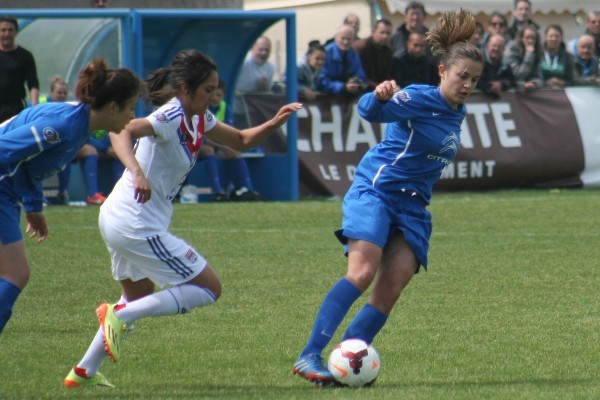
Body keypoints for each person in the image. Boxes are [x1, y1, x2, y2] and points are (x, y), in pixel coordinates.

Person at [64, 49, 301, 388]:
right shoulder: (171, 115)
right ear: (185, 89)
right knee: (208, 288)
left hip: (121, 218)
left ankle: (83, 370)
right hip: (135, 221)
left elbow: (243, 140)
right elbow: (121, 130)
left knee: (139, 293)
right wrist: (136, 172)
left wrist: (275, 122)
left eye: (216, 89)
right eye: (208, 90)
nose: (213, 96)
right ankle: (118, 316)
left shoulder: (201, 119)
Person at [291, 9, 483, 385]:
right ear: (442, 71)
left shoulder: (457, 112)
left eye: (474, 80)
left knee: (391, 287)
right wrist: (378, 96)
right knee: (361, 273)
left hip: (413, 207)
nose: (467, 85)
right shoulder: (418, 97)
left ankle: (349, 358)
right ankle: (308, 354)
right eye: (462, 76)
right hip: (377, 191)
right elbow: (367, 111)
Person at [0, 59, 142, 336]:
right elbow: (4, 150)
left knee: (14, 274)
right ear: (113, 107)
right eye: (130, 107)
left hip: (8, 194)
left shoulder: (79, 126)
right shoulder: (62, 126)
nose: (132, 115)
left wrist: (33, 206)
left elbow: (29, 166)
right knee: (15, 274)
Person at [201, 80, 264, 201]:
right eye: (212, 94)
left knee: (236, 152)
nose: (214, 98)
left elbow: (228, 133)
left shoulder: (225, 107)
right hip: (199, 145)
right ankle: (218, 192)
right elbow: (202, 138)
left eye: (218, 95)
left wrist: (227, 147)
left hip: (218, 145)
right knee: (208, 150)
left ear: (223, 96)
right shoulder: (201, 108)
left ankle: (248, 190)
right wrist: (223, 147)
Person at [0, 15, 40, 123]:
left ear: (16, 32)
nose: (6, 34)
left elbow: (33, 84)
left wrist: (34, 107)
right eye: (3, 30)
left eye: (10, 30)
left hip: (14, 107)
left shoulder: (25, 56)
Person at [318, 24, 368, 95]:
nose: (345, 42)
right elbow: (321, 81)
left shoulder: (353, 54)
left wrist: (356, 82)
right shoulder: (326, 53)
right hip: (326, 96)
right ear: (336, 38)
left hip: (348, 97)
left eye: (349, 39)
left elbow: (361, 76)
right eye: (343, 38)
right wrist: (343, 87)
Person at [352, 19, 394, 89]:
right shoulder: (361, 48)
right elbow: (358, 74)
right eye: (382, 33)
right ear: (373, 32)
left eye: (388, 33)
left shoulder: (388, 51)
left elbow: (387, 75)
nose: (385, 36)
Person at [503, 24, 543, 91]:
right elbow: (518, 74)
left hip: (529, 90)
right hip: (512, 90)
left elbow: (539, 76)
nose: (530, 41)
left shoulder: (536, 51)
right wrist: (529, 55)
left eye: (533, 38)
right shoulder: (512, 50)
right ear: (522, 38)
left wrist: (534, 83)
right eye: (527, 37)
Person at [540, 24, 574, 88]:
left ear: (561, 38)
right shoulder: (538, 55)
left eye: (557, 36)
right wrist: (544, 83)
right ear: (545, 37)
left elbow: (571, 80)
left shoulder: (568, 57)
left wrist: (560, 82)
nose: (554, 39)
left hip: (561, 94)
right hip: (540, 93)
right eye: (551, 36)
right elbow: (533, 77)